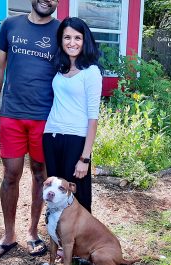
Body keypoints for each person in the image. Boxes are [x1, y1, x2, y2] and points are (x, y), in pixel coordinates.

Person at [0, 0, 60, 260]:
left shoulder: (61, 32)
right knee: (10, 175)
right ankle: (8, 236)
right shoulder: (10, 25)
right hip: (13, 115)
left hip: (45, 118)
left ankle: (33, 232)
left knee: (41, 175)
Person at [43, 17, 103, 213]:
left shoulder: (91, 72)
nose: (72, 42)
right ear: (61, 40)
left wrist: (84, 158)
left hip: (76, 140)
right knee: (55, 194)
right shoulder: (60, 70)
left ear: (85, 41)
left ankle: (81, 241)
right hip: (51, 136)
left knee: (78, 196)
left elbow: (93, 118)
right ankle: (58, 238)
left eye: (78, 37)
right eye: (67, 37)